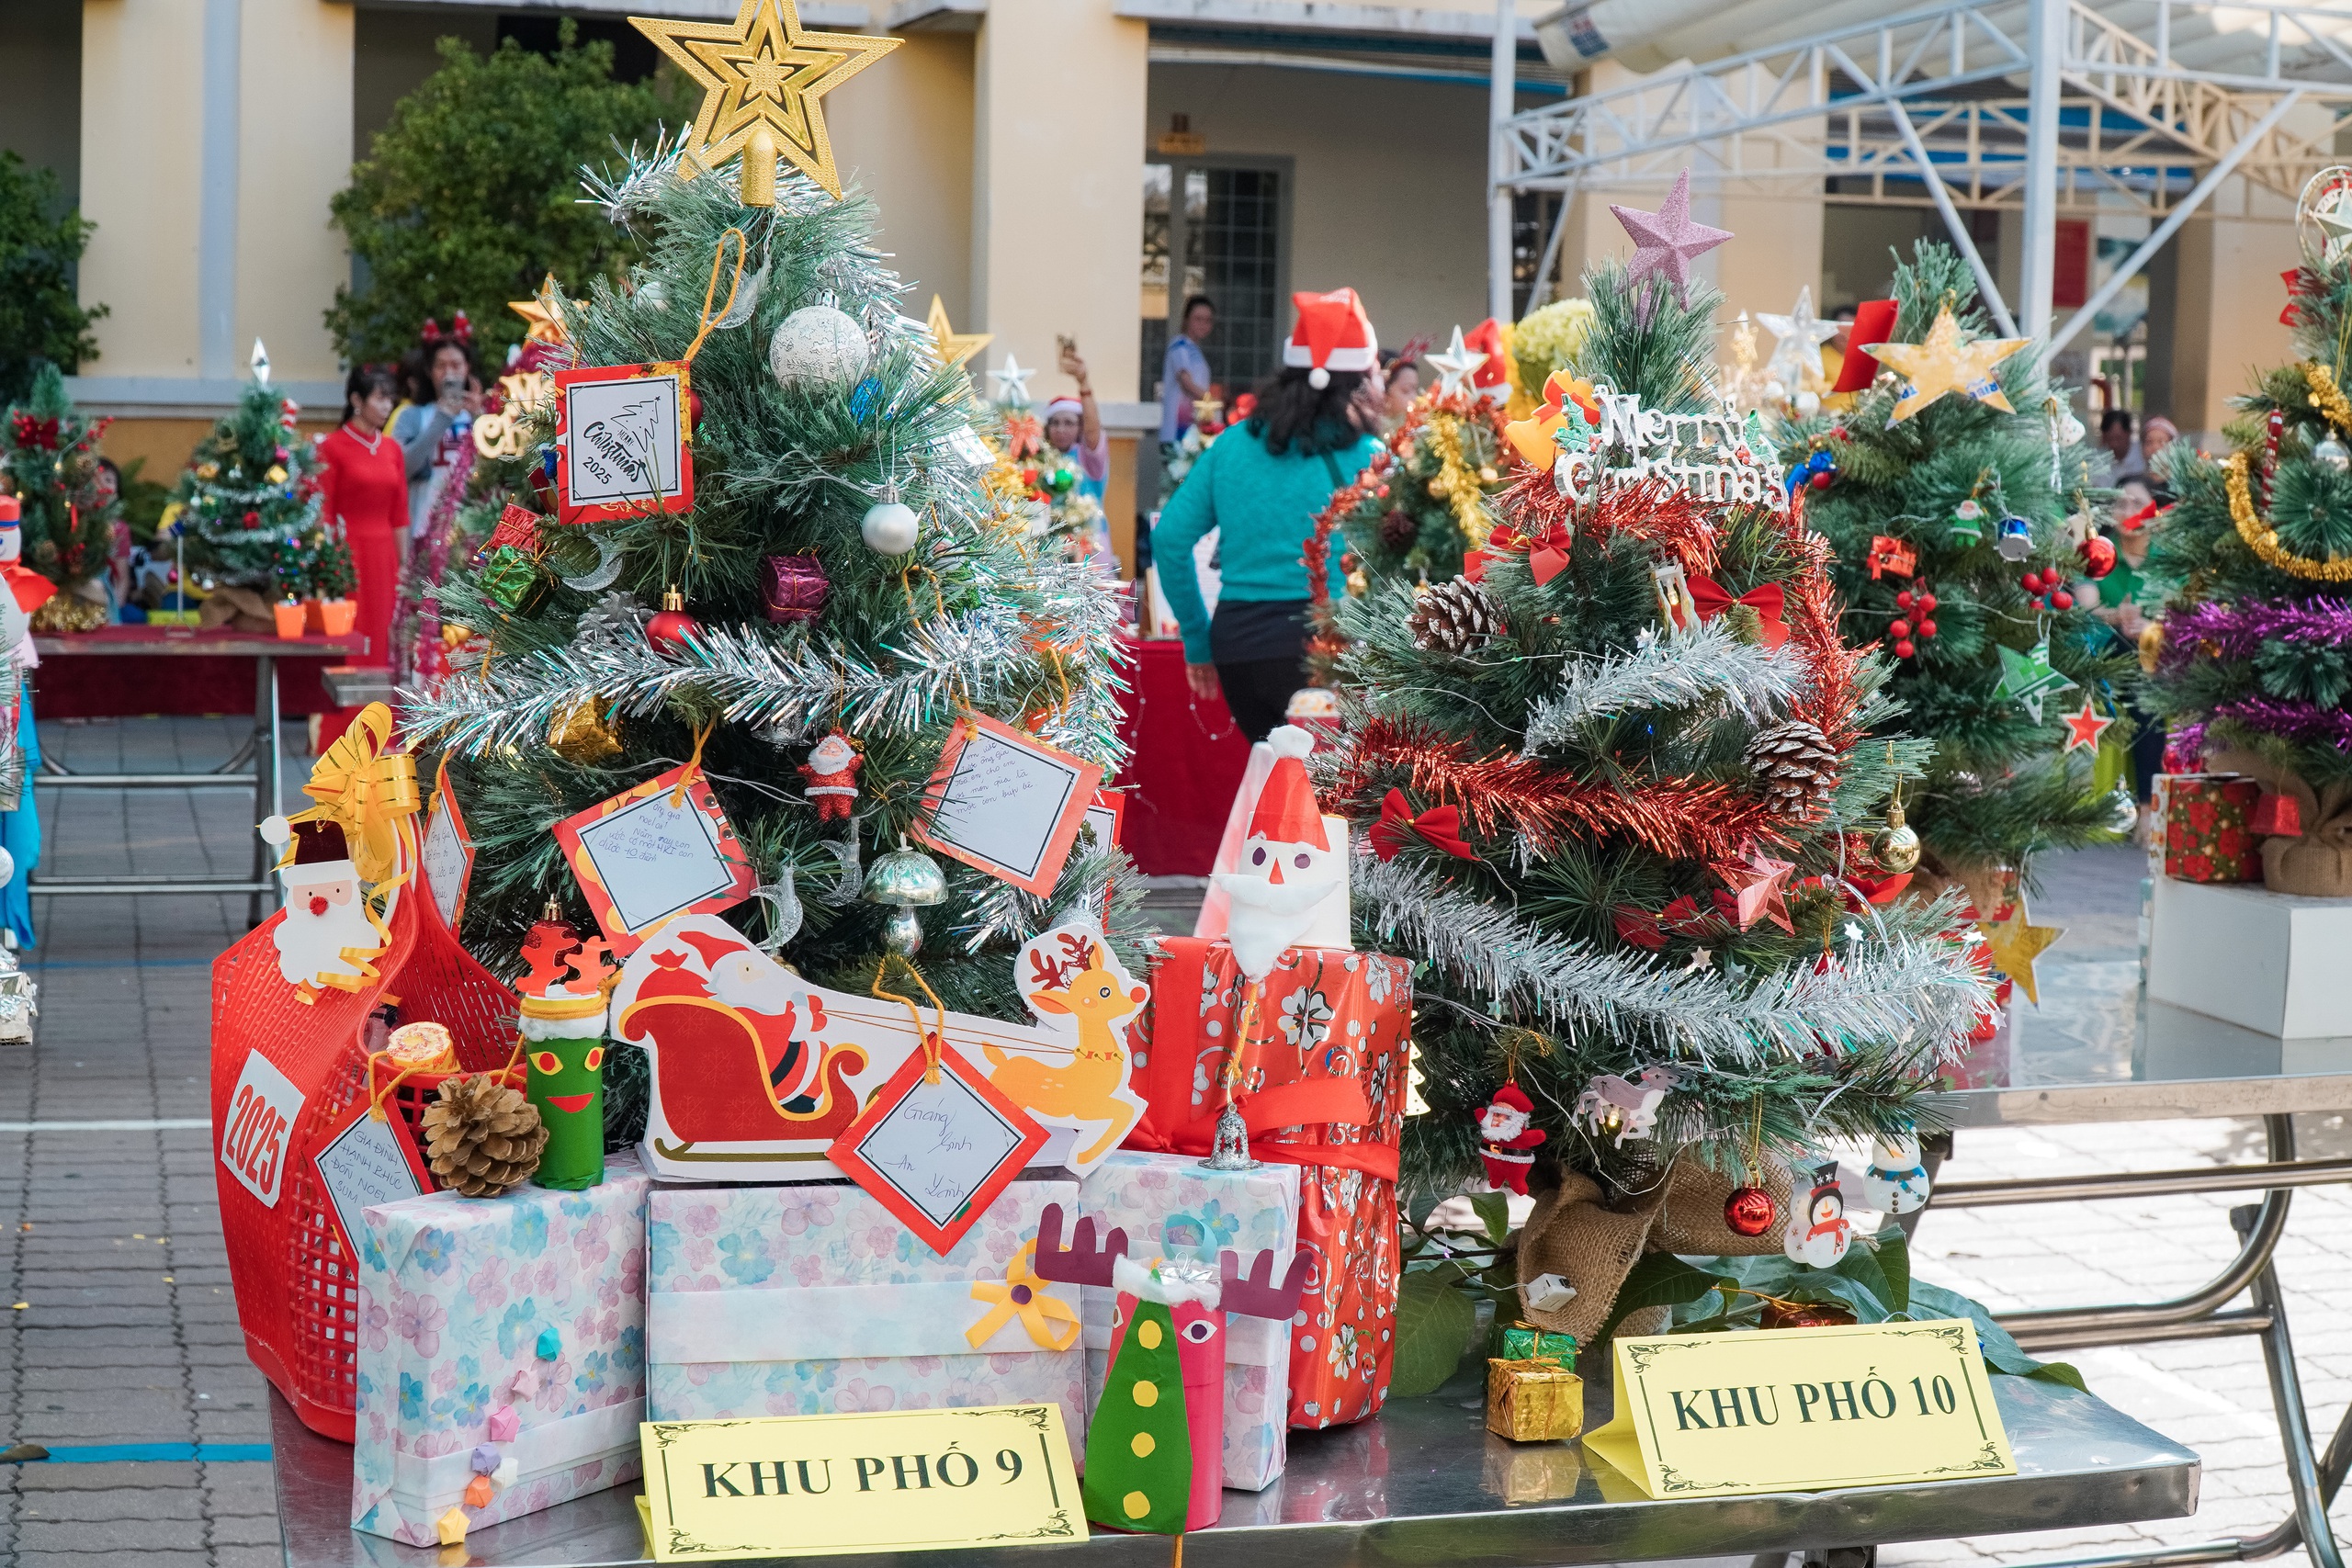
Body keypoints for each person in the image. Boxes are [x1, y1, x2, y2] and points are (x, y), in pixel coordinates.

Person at [1153, 288, 1385, 741]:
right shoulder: (1369, 456)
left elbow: (1169, 540)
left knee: (1275, 785)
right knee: (1333, 803)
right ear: (1358, 381)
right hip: (1331, 648)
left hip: (1240, 651)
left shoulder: (1232, 444)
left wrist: (1198, 642)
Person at [315, 365, 407, 751]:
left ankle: (380, 729)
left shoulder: (392, 449)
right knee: (352, 639)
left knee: (384, 636)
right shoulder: (332, 447)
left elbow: (399, 514)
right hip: (347, 555)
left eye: (390, 397)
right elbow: (323, 512)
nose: (387, 406)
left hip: (384, 553)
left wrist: (405, 567)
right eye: (380, 397)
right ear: (356, 400)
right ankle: (343, 733)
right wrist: (328, 565)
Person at [391, 319, 482, 556]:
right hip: (423, 529)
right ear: (430, 372)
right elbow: (402, 468)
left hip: (470, 532)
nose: (449, 373)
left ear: (468, 368)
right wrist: (442, 418)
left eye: (456, 365)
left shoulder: (483, 416)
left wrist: (481, 418)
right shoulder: (412, 416)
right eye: (441, 366)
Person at [1047, 339, 1109, 503]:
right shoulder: (1042, 458)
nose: (1060, 429)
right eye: (1055, 422)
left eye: (1068, 423)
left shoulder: (1086, 457)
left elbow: (1092, 431)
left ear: (1080, 427)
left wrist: (1084, 383)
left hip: (1089, 529)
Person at [1159, 295, 1215, 447]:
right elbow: (1186, 382)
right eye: (1198, 319)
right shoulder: (1179, 345)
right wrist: (1212, 401)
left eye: (1207, 320)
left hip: (1193, 430)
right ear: (1186, 319)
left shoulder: (1195, 350)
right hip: (1177, 430)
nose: (1203, 324)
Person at [2098, 409, 2145, 488]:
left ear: (2129, 433)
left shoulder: (2143, 454)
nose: (2114, 444)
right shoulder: (2097, 461)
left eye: (2118, 438)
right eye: (2110, 439)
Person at [2140, 414, 2181, 495]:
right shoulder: (2135, 484)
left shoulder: (2182, 486)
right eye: (2149, 442)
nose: (2155, 447)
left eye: (2162, 442)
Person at [1381, 347, 1421, 429]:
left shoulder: (1414, 427)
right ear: (1384, 390)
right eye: (1406, 391)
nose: (1414, 397)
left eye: (1415, 390)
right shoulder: (1366, 429)